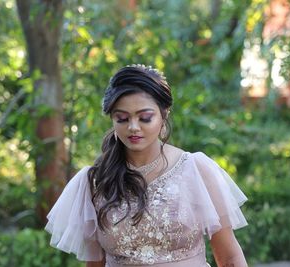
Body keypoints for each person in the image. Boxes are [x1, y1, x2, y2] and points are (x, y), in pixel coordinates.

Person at [45, 64, 248, 267]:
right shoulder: (96, 181)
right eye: (122, 118)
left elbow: (229, 258)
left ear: (163, 114)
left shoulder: (196, 170)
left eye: (145, 118)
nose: (133, 127)